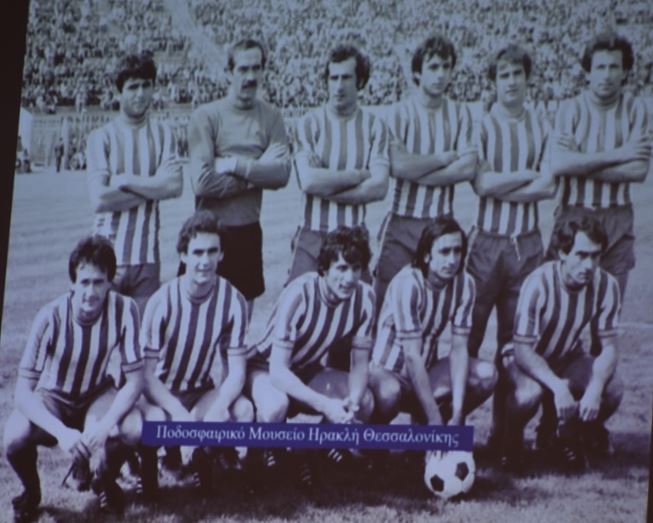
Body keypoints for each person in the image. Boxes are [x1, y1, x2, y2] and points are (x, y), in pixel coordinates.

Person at [3, 236, 144, 521]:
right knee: (14, 436)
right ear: (72, 283)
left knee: (133, 428)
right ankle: (31, 492)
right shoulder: (50, 316)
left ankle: (104, 479)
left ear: (110, 282)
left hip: (96, 394)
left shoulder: (125, 309)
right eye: (84, 282)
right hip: (53, 396)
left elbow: (136, 381)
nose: (91, 292)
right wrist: (62, 432)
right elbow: (23, 393)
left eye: (99, 282)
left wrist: (105, 425)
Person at [466, 45, 555, 447]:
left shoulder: (542, 123)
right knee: (468, 334)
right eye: (504, 75)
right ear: (494, 81)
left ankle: (503, 434)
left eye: (518, 73)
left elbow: (549, 186)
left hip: (527, 245)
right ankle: (448, 428)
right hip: (486, 243)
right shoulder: (483, 125)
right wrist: (527, 175)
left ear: (528, 78)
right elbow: (483, 184)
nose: (512, 81)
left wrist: (507, 183)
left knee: (514, 342)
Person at [247, 226, 376, 486]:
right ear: (324, 269)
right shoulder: (300, 294)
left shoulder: (365, 297)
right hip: (264, 367)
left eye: (356, 268)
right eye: (341, 268)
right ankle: (261, 456)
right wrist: (325, 405)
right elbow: (278, 371)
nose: (349, 278)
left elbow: (361, 364)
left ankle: (315, 449)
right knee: (275, 406)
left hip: (306, 368)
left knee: (365, 401)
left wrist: (352, 402)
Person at [139, 211, 254, 493]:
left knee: (242, 410)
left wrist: (219, 405)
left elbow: (237, 371)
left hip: (199, 390)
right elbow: (146, 375)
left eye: (212, 251)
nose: (205, 261)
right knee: (153, 421)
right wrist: (179, 412)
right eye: (197, 252)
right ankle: (152, 463)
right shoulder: (162, 301)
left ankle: (207, 457)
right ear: (183, 255)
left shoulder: (233, 300)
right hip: (161, 393)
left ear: (222, 254)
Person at [498, 216, 623, 471]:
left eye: (595, 256)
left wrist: (595, 386)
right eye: (581, 255)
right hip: (524, 357)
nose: (589, 265)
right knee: (528, 395)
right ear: (563, 253)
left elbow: (609, 347)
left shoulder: (607, 285)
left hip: (567, 356)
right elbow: (522, 349)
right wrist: (558, 386)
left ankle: (561, 435)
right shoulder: (539, 283)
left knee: (612, 389)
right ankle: (510, 444)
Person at [373, 34, 477, 309]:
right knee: (385, 302)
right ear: (418, 72)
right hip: (403, 222)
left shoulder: (461, 113)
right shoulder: (399, 113)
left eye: (446, 67)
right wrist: (443, 158)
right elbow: (398, 166)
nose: (440, 74)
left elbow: (468, 168)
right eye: (433, 67)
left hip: (441, 224)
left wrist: (416, 170)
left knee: (434, 306)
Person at [188, 38, 290, 316]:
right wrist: (258, 172)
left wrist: (235, 165)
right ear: (228, 73)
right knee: (197, 324)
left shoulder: (272, 116)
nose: (251, 77)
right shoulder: (206, 116)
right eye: (243, 69)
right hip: (207, 233)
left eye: (256, 68)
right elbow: (203, 182)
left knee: (239, 325)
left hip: (248, 232)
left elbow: (282, 174)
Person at [549, 31, 651, 305]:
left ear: (625, 71)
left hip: (617, 216)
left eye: (614, 67)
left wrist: (580, 162)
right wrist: (621, 154)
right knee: (561, 304)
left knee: (609, 302)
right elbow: (559, 164)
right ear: (588, 72)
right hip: (573, 212)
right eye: (600, 67)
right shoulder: (569, 109)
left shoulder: (636, 110)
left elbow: (638, 171)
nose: (606, 75)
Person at [369, 216, 496, 428]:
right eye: (444, 252)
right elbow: (411, 355)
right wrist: (433, 417)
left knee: (486, 374)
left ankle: (430, 429)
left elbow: (459, 349)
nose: (452, 260)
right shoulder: (408, 282)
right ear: (427, 255)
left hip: (425, 373)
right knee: (390, 392)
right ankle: (371, 436)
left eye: (457, 251)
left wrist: (458, 410)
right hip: (387, 374)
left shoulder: (465, 283)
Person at [86, 51, 183, 317]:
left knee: (142, 336)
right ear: (119, 92)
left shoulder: (164, 134)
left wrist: (126, 181)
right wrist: (154, 189)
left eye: (146, 85)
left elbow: (175, 186)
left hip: (147, 257)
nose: (140, 94)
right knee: (103, 335)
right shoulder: (101, 137)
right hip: (106, 255)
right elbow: (100, 199)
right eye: (132, 87)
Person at [288, 44, 389, 283]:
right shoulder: (308, 123)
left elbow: (379, 188)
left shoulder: (374, 126)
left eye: (346, 77)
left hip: (354, 236)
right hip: (313, 235)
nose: (339, 86)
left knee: (360, 304)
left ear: (360, 81)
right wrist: (359, 175)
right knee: (300, 301)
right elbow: (309, 181)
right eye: (333, 78)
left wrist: (326, 184)